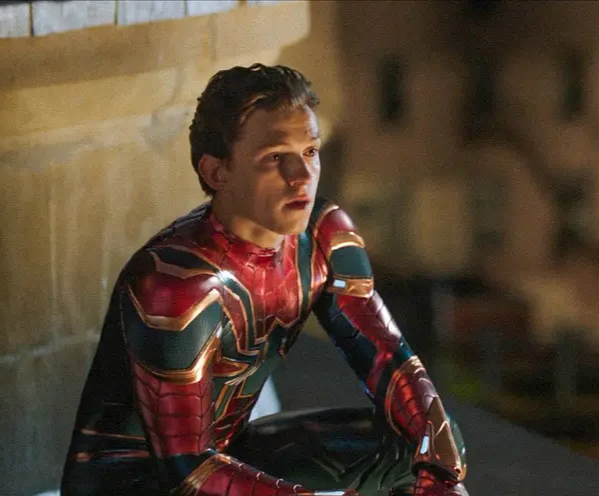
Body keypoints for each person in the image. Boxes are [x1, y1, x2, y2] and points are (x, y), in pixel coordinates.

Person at [61, 64, 468, 496]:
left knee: (421, 444)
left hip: (228, 454)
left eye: (310, 151)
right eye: (275, 158)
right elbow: (188, 471)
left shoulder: (324, 237)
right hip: (137, 483)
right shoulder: (175, 284)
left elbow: (388, 359)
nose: (302, 176)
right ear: (217, 172)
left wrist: (441, 469)